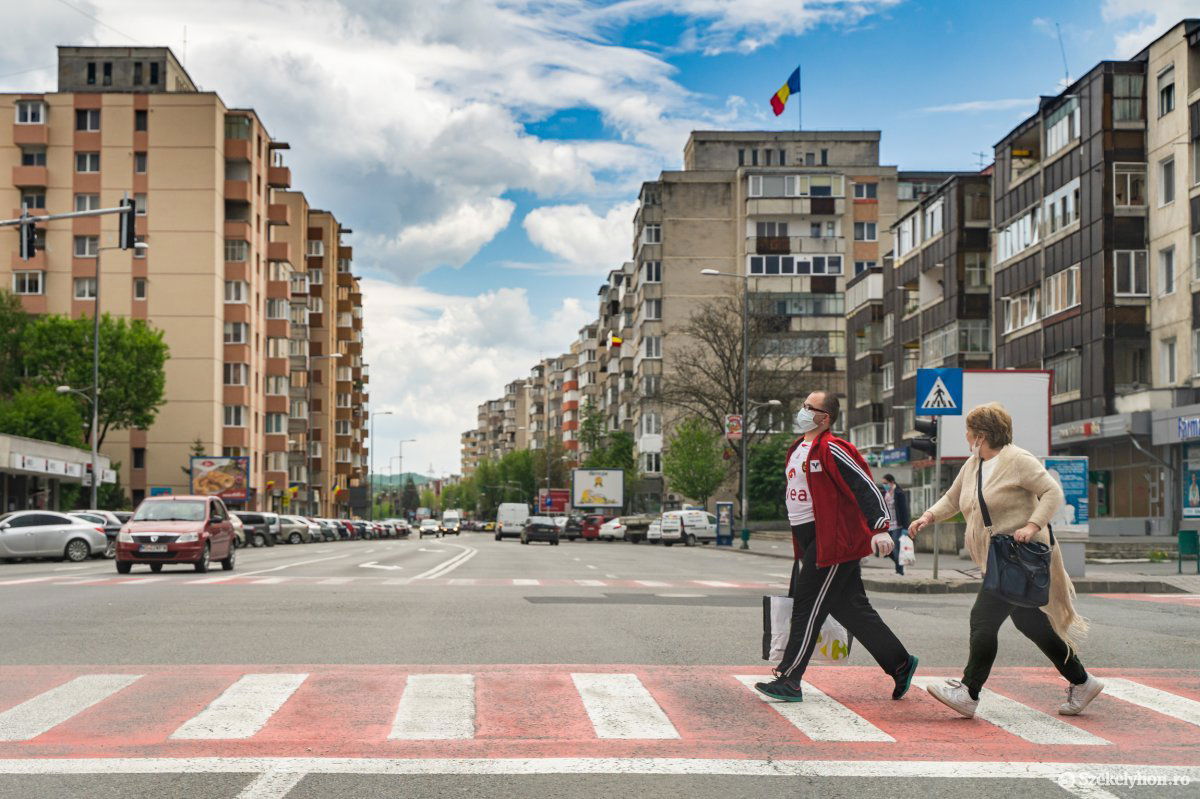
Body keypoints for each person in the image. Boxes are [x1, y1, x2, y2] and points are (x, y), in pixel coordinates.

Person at [909, 402, 1101, 718]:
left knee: (983, 618)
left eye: (970, 430)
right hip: (1000, 558)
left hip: (1021, 558)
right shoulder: (974, 464)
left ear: (981, 434)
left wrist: (1032, 525)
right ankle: (1082, 681)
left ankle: (969, 693)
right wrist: (928, 516)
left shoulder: (1018, 460)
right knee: (1030, 623)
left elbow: (1052, 492)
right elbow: (954, 498)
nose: (967, 435)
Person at [755, 391, 919, 703]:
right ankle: (900, 663)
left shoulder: (833, 447)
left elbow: (865, 485)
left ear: (825, 418)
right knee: (851, 609)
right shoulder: (799, 448)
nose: (802, 411)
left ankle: (790, 679)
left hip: (833, 540)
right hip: (809, 540)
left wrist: (880, 527)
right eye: (803, 405)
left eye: (809, 407)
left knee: (807, 604)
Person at [882, 474, 910, 575]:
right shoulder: (885, 493)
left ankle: (900, 570)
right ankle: (899, 566)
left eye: (886, 483)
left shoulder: (899, 493)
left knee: (896, 548)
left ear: (892, 482)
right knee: (887, 549)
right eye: (883, 483)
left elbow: (904, 511)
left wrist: (906, 527)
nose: (884, 485)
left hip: (898, 526)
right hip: (888, 526)